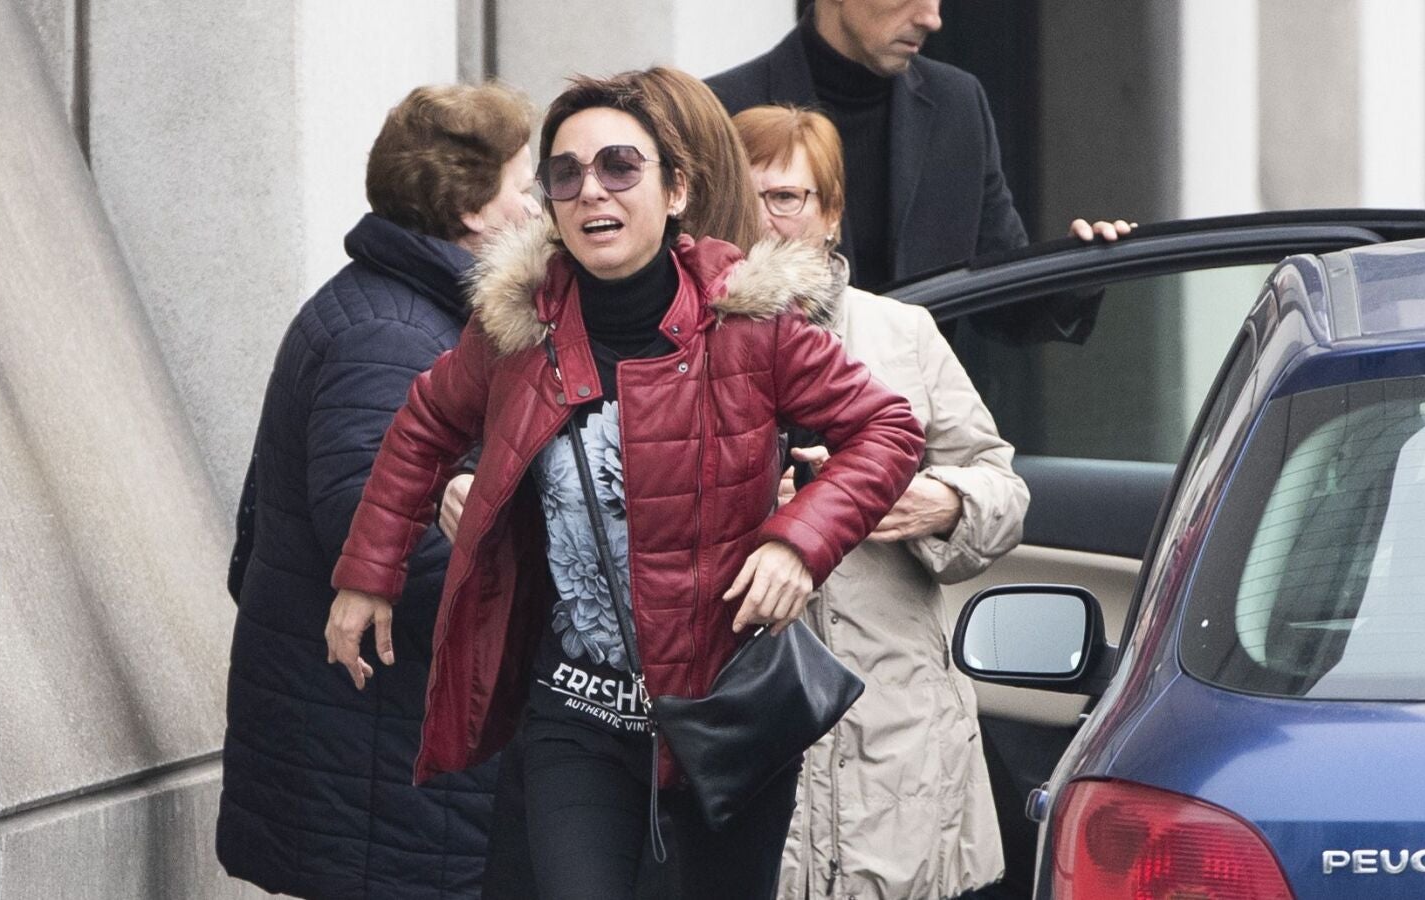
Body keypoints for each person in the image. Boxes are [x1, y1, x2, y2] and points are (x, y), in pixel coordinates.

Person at [325, 71, 925, 899]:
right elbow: (425, 422)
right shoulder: (519, 329)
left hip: (724, 711)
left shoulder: (750, 324)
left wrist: (797, 545)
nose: (591, 191)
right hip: (575, 715)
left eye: (618, 166)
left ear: (675, 190)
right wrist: (368, 575)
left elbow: (887, 429)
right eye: (565, 174)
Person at [217, 82, 540, 900]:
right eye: (524, 185)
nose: (539, 208)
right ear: (470, 208)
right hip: (378, 756)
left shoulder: (412, 311)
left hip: (379, 749)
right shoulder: (390, 333)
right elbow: (368, 520)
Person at [733, 104, 1030, 900]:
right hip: (747, 709)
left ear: (830, 214)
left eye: (785, 198)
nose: (762, 220)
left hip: (896, 720)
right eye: (743, 196)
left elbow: (1001, 484)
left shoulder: (903, 334)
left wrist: (941, 501)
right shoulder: (682, 341)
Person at [708, 0, 1129, 291]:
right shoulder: (719, 112)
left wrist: (1082, 269)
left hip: (920, 396)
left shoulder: (957, 104)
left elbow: (1004, 295)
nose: (932, 17)